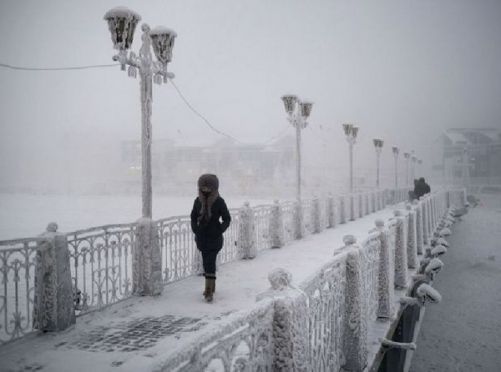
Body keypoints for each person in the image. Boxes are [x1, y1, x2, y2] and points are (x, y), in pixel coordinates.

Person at [190, 174, 231, 302]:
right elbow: (193, 217)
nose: (206, 190)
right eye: (203, 187)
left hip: (214, 238)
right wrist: (195, 229)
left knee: (210, 262)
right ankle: (212, 287)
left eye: (208, 187)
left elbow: (227, 218)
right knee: (206, 262)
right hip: (202, 238)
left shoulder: (219, 201)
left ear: (214, 187)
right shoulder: (198, 201)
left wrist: (219, 230)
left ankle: (208, 290)